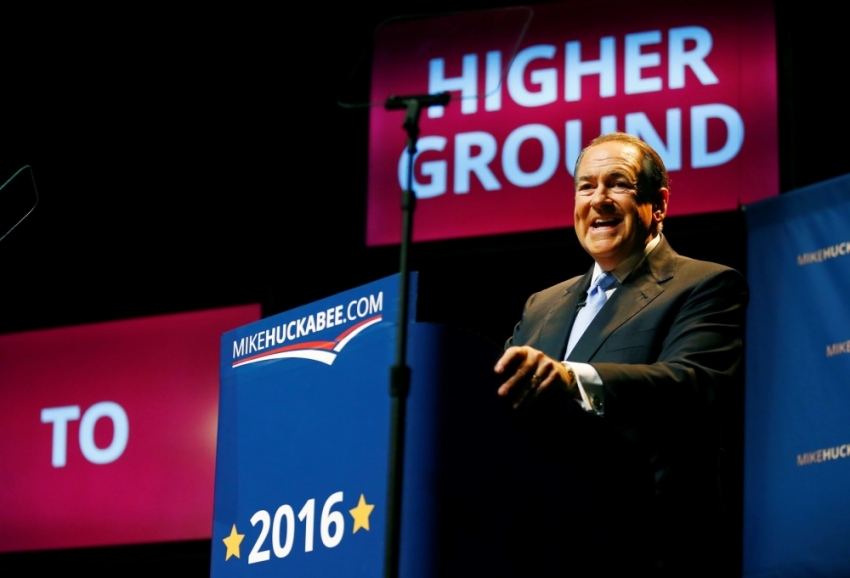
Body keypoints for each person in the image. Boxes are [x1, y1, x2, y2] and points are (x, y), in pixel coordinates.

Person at [493, 133, 747, 576]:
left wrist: (572, 378)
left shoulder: (706, 285)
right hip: (538, 545)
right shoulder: (541, 305)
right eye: (586, 186)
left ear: (659, 205)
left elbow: (695, 384)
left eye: (619, 184)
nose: (599, 199)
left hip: (647, 544)